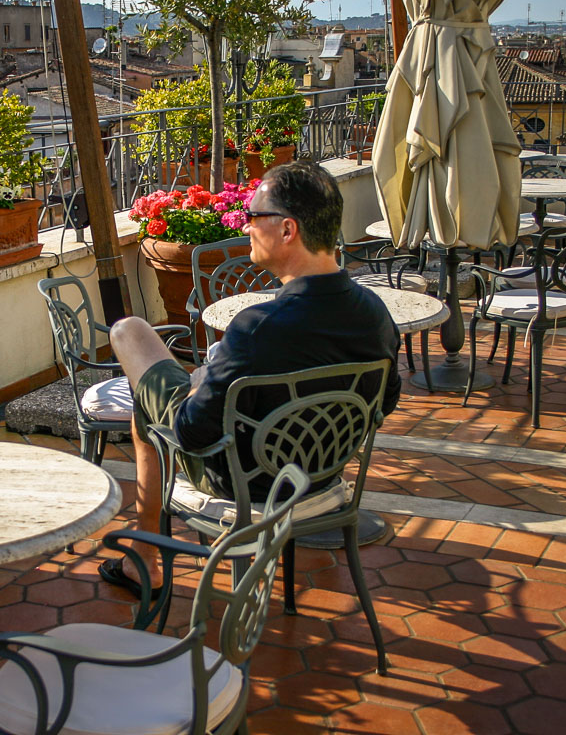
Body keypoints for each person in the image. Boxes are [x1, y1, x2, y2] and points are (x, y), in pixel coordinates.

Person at [103, 160, 401, 593]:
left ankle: (144, 557)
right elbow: (382, 405)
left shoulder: (257, 326)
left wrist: (200, 381)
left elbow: (191, 432)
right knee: (153, 389)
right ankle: (142, 556)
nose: (244, 227)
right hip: (320, 474)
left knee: (129, 333)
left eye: (253, 216)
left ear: (287, 230)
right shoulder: (376, 314)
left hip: (248, 482)